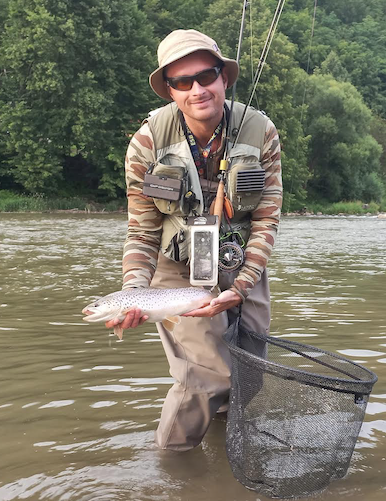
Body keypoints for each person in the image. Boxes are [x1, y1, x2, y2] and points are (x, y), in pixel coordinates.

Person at [106, 29, 282, 451]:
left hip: (240, 262)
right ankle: (173, 467)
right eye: (183, 81)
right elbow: (143, 230)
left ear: (224, 77)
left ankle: (222, 458)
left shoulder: (261, 132)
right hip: (174, 264)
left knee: (249, 374)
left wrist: (240, 287)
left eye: (206, 76)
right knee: (207, 376)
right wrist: (134, 293)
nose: (197, 89)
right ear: (170, 89)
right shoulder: (148, 142)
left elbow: (266, 221)